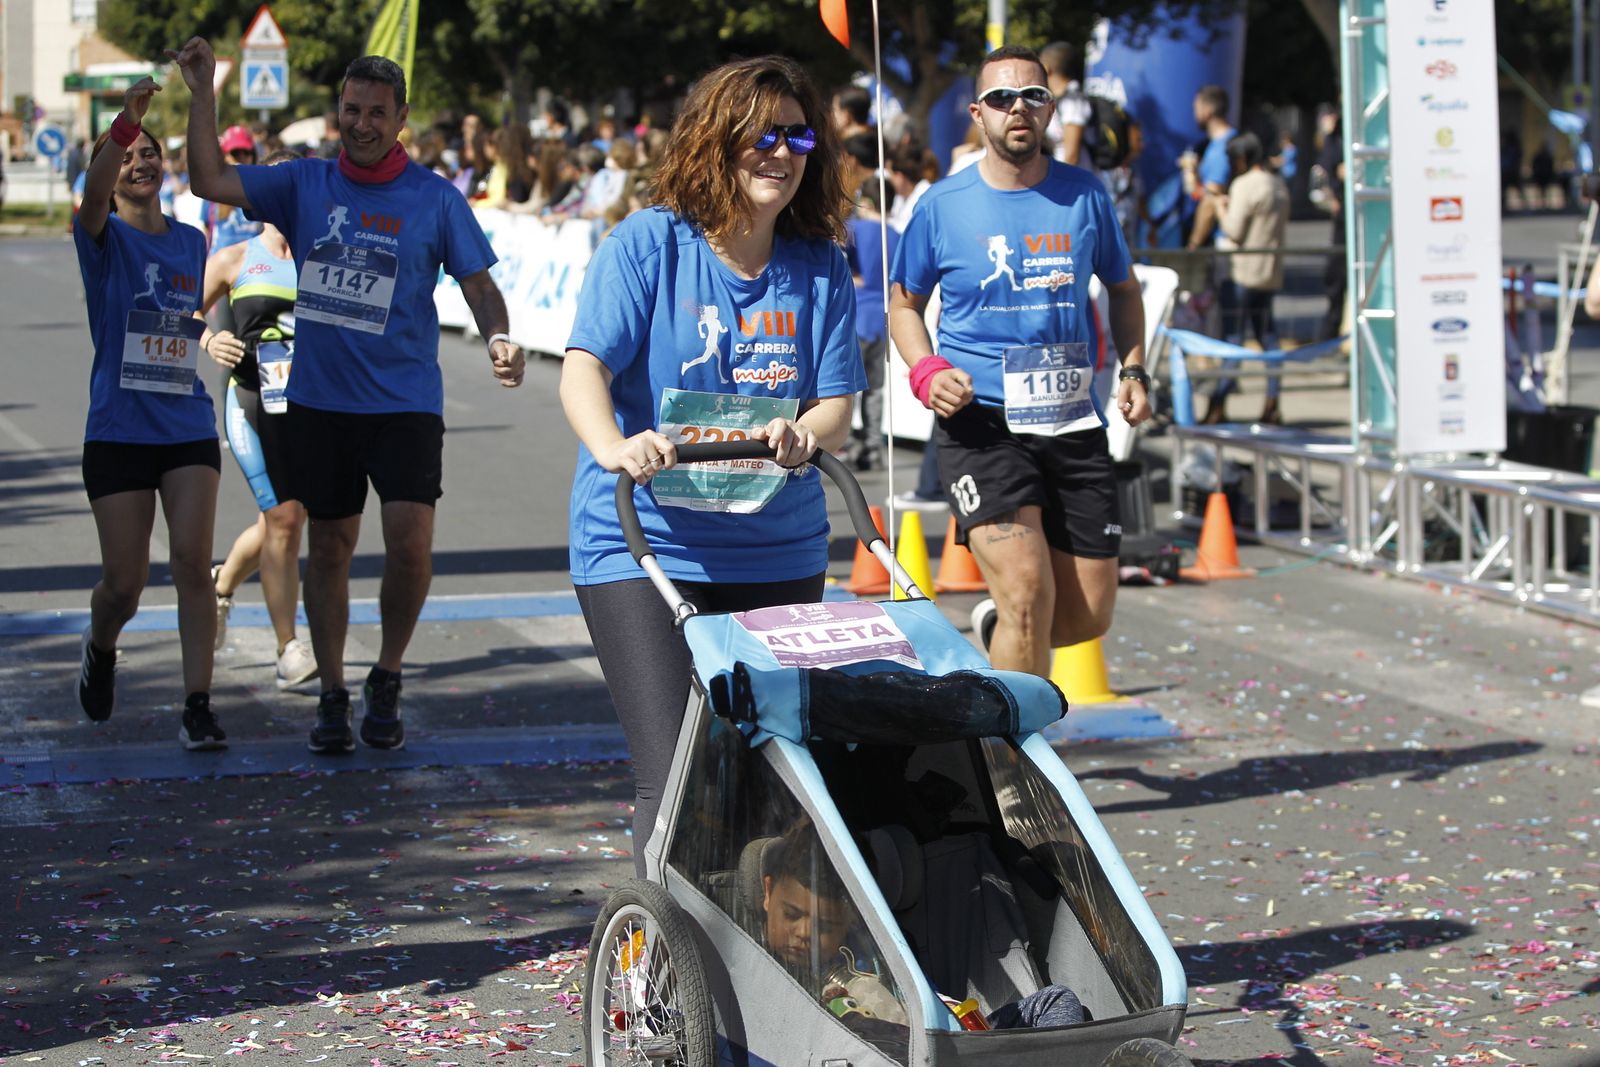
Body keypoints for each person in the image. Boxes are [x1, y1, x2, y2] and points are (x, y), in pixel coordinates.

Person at [171, 40, 525, 754]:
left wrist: (498, 338)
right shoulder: (304, 183)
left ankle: (386, 673)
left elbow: (480, 285)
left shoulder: (434, 198)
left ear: (400, 121)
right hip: (322, 403)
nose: (361, 123)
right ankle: (333, 689)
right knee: (328, 545)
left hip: (404, 404)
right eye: (351, 109)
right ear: (340, 112)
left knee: (411, 546)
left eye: (376, 113)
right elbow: (209, 179)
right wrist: (203, 89)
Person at [560, 55, 861, 874]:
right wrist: (614, 447)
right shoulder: (651, 242)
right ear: (716, 142)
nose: (781, 152)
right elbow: (583, 366)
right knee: (680, 772)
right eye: (760, 134)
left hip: (775, 548)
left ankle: (764, 956)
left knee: (773, 777)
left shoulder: (820, 264)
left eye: (798, 135)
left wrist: (809, 432)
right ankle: (673, 969)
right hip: (645, 544)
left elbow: (833, 402)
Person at [889, 44, 1151, 679]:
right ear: (978, 114)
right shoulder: (942, 205)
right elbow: (903, 306)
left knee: (1088, 616)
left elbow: (1122, 289)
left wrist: (1135, 369)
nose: (1018, 110)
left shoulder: (1084, 196)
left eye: (1032, 97)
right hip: (982, 424)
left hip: (1070, 420)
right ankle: (1013, 765)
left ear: (1050, 109)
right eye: (1002, 99)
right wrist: (926, 372)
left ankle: (1000, 626)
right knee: (1030, 596)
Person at [72, 76, 226, 750]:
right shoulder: (99, 235)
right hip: (118, 429)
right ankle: (101, 644)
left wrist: (205, 334)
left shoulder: (192, 241)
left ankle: (198, 704)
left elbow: (183, 319)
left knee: (194, 562)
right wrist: (126, 121)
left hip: (186, 424)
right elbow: (98, 184)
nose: (141, 162)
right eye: (130, 155)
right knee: (125, 585)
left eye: (150, 154)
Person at [196, 148, 318, 688]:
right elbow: (184, 309)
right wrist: (210, 337)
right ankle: (288, 646)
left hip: (312, 407)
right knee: (285, 521)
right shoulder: (234, 258)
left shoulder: (325, 256)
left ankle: (221, 585)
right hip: (250, 402)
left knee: (282, 522)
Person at [1203, 132, 1290, 425]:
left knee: (1234, 341)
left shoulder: (1244, 185)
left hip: (1242, 272)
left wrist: (1219, 207)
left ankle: (1218, 404)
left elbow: (1234, 231)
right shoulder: (1277, 184)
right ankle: (1272, 402)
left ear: (1240, 158)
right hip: (1269, 272)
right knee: (1269, 338)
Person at [846, 168, 898, 471]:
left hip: (855, 317)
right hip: (884, 320)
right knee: (875, 388)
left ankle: (845, 444)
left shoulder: (851, 230)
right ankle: (873, 448)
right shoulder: (898, 236)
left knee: (847, 389)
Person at [1180, 84, 1235, 250]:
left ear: (1208, 109)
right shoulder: (1215, 145)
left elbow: (1210, 202)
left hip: (1220, 240)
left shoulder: (1221, 149)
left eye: (1196, 108)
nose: (1194, 114)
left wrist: (1194, 244)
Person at [1038, 41, 1091, 168]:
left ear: (1046, 68)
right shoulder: (1060, 99)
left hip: (1076, 180)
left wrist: (1061, 183)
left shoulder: (1072, 101)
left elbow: (1072, 154)